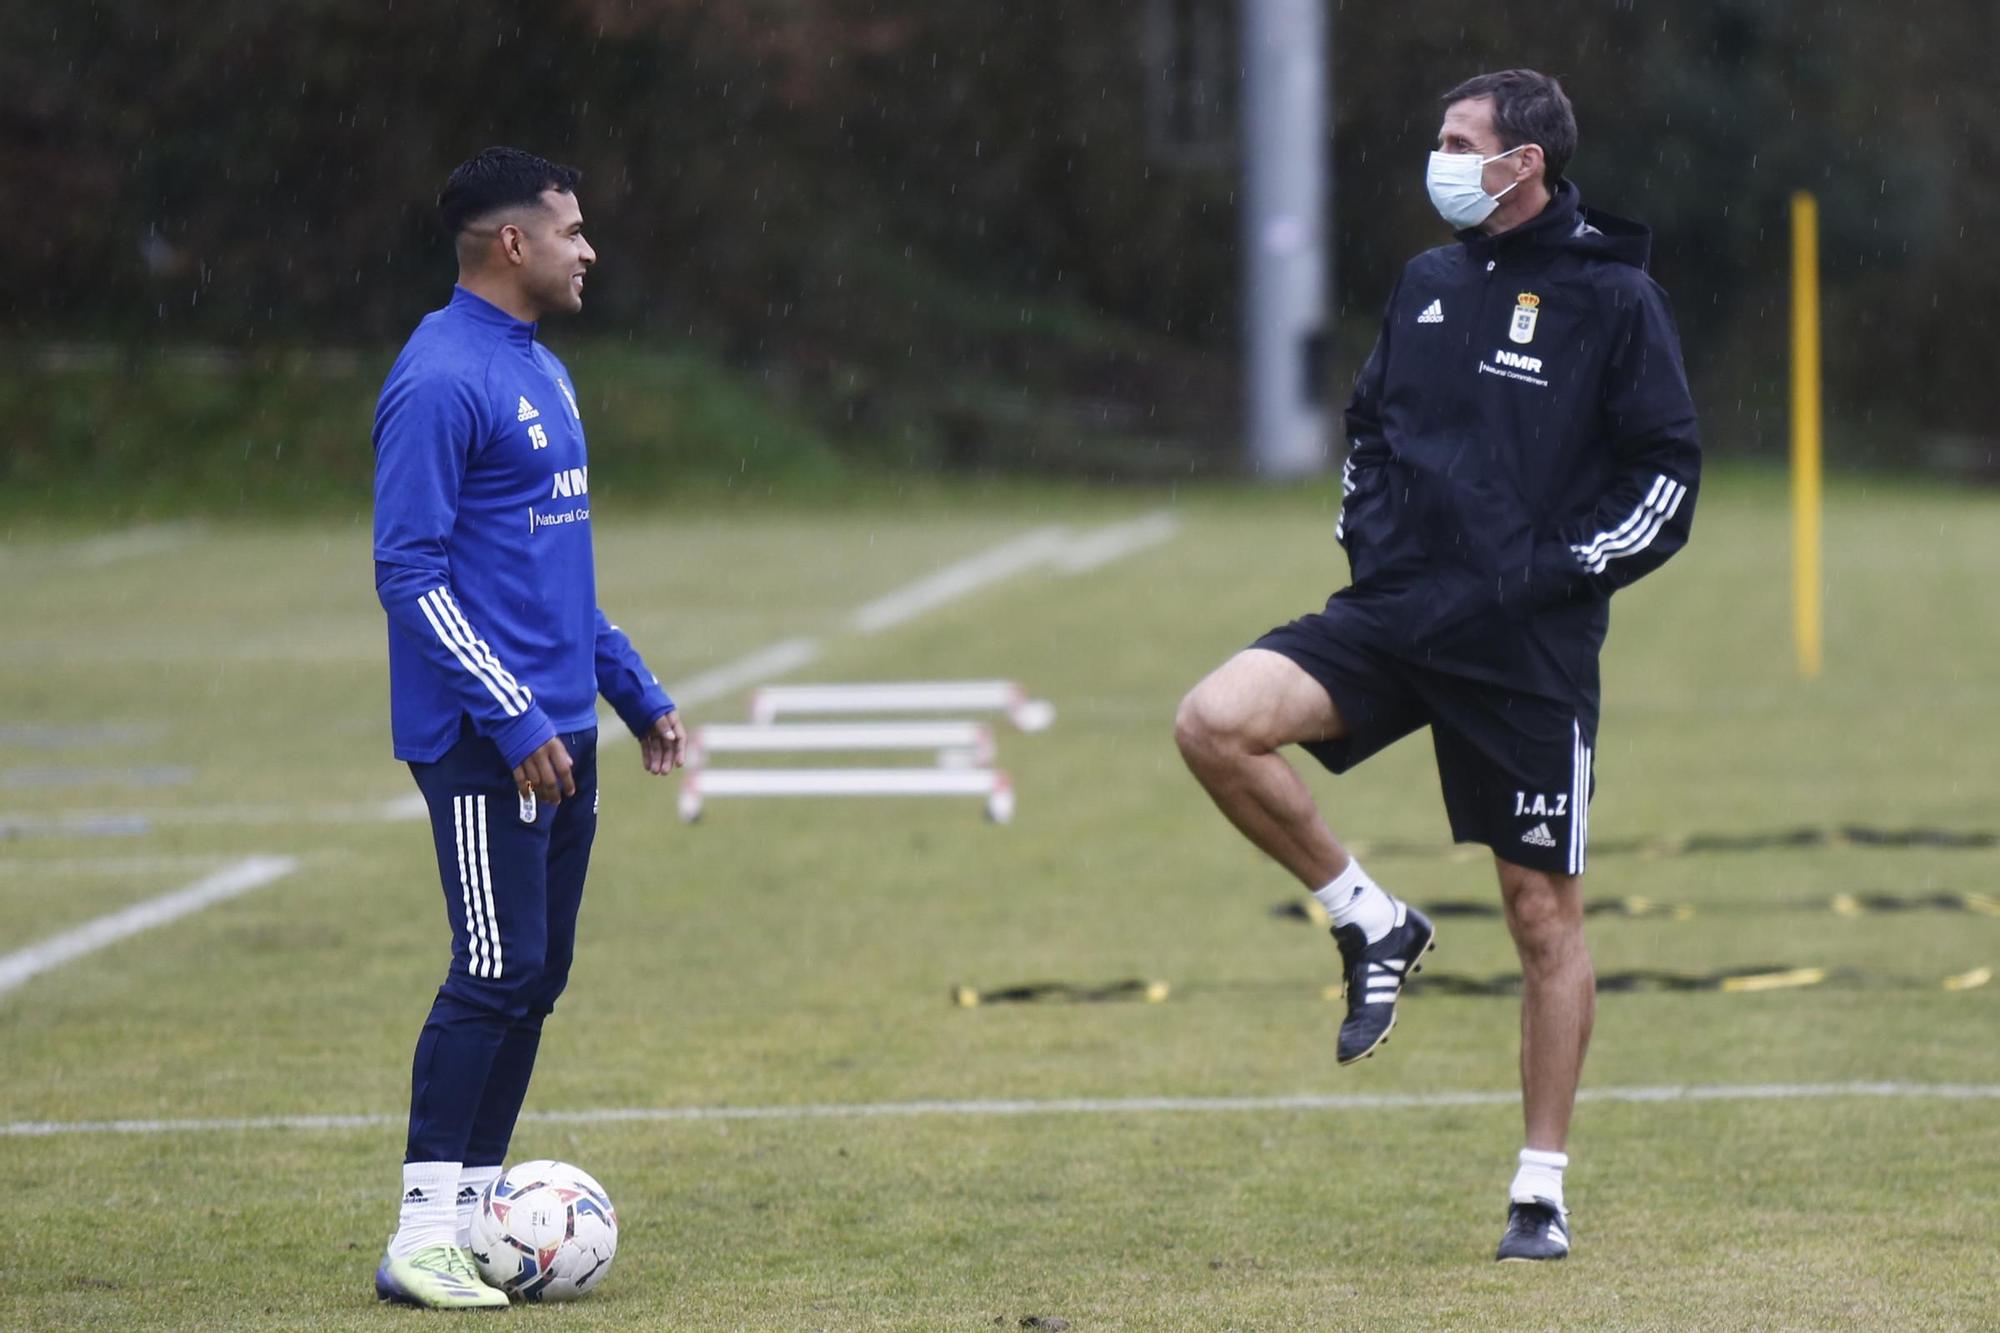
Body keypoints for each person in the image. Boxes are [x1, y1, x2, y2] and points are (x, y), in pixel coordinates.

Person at [1174, 69, 1699, 1263]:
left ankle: (1539, 1186)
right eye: (1439, 136)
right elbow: (1367, 427)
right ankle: (1368, 919)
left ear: (1524, 165)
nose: (1440, 157)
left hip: (1523, 648)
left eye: (1460, 142)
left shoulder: (1614, 299)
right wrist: (1367, 534)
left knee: (1537, 912)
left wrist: (1550, 572)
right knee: (1212, 720)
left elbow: (1663, 483)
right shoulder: (1425, 282)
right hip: (1397, 612)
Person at [369, 147, 687, 1308]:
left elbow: (550, 571)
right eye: (571, 229)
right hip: (484, 738)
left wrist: (631, 687)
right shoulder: (438, 376)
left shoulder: (541, 370)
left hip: (562, 731)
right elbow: (408, 571)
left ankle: (473, 1211)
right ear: (513, 243)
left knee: (536, 973)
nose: (587, 248)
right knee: (492, 971)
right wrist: (507, 715)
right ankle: (419, 1234)